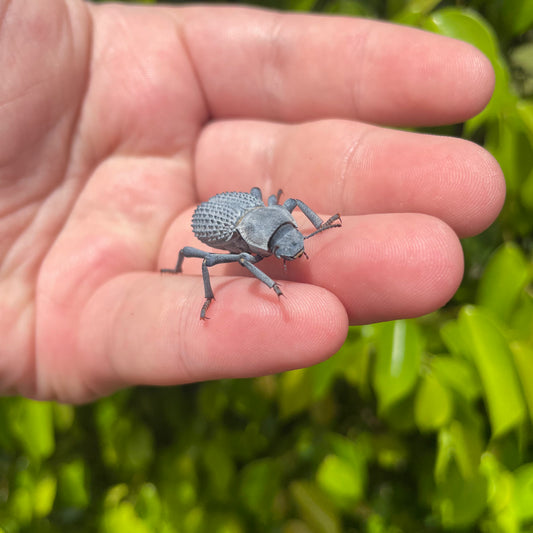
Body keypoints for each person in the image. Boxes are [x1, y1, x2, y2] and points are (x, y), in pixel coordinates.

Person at [0, 0, 505, 403]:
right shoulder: (243, 250)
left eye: (289, 239)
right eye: (284, 245)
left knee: (291, 212)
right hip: (216, 221)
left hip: (249, 210)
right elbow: (231, 258)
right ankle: (189, 280)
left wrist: (316, 225)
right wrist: (265, 290)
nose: (292, 249)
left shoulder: (279, 221)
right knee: (199, 261)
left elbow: (288, 214)